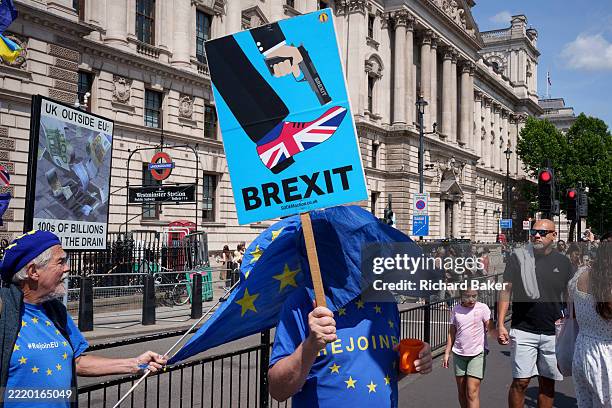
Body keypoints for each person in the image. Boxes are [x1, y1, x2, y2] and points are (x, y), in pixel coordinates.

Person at [0, 230, 167, 408]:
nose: (67, 268)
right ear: (33, 271)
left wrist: (134, 364)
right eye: (60, 262)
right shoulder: (4, 311)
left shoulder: (56, 311)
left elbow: (77, 361)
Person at [268, 288, 433, 407]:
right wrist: (310, 346)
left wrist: (413, 361)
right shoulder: (300, 301)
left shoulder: (384, 299)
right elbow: (278, 390)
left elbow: (382, 372)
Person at [496, 219, 573, 408]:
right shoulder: (518, 258)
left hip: (553, 332)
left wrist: (572, 326)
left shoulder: (563, 262)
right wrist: (500, 324)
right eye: (534, 232)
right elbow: (506, 290)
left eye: (542, 232)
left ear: (554, 236)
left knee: (547, 384)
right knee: (520, 382)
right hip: (523, 329)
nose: (537, 235)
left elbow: (570, 296)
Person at [568, 242, 612, 407]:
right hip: (606, 355)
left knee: (586, 403)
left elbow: (569, 301)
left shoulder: (580, 276)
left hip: (582, 350)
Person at [443, 287, 492, 408]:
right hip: (459, 354)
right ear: (461, 296)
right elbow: (452, 332)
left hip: (477, 354)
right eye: (467, 296)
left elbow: (490, 325)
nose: (471, 299)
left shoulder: (483, 308)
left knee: (471, 391)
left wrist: (498, 331)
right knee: (462, 392)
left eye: (474, 296)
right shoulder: (456, 309)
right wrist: (447, 353)